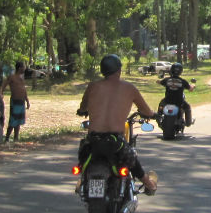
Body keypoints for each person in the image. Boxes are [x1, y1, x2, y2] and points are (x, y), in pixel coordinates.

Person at [76, 54, 158, 195]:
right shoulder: (129, 88)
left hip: (93, 140)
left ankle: (81, 182)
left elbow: (83, 107)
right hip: (115, 141)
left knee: (84, 159)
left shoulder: (93, 86)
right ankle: (149, 184)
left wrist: (82, 111)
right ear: (119, 70)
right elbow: (146, 110)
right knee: (132, 160)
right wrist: (153, 114)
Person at [158, 62, 195, 126]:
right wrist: (193, 85)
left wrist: (158, 81)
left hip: (167, 101)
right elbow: (190, 89)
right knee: (187, 107)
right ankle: (188, 122)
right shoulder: (183, 81)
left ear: (171, 70)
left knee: (161, 105)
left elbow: (160, 82)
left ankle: (158, 117)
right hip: (179, 102)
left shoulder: (167, 80)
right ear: (181, 71)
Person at [1, 60, 30, 141]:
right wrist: (1, 93)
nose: (24, 68)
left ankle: (16, 138)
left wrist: (27, 100)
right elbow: (4, 84)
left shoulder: (21, 79)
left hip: (21, 101)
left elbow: (24, 90)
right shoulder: (12, 77)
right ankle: (7, 138)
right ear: (20, 68)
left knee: (19, 121)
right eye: (23, 67)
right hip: (15, 101)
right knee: (13, 120)